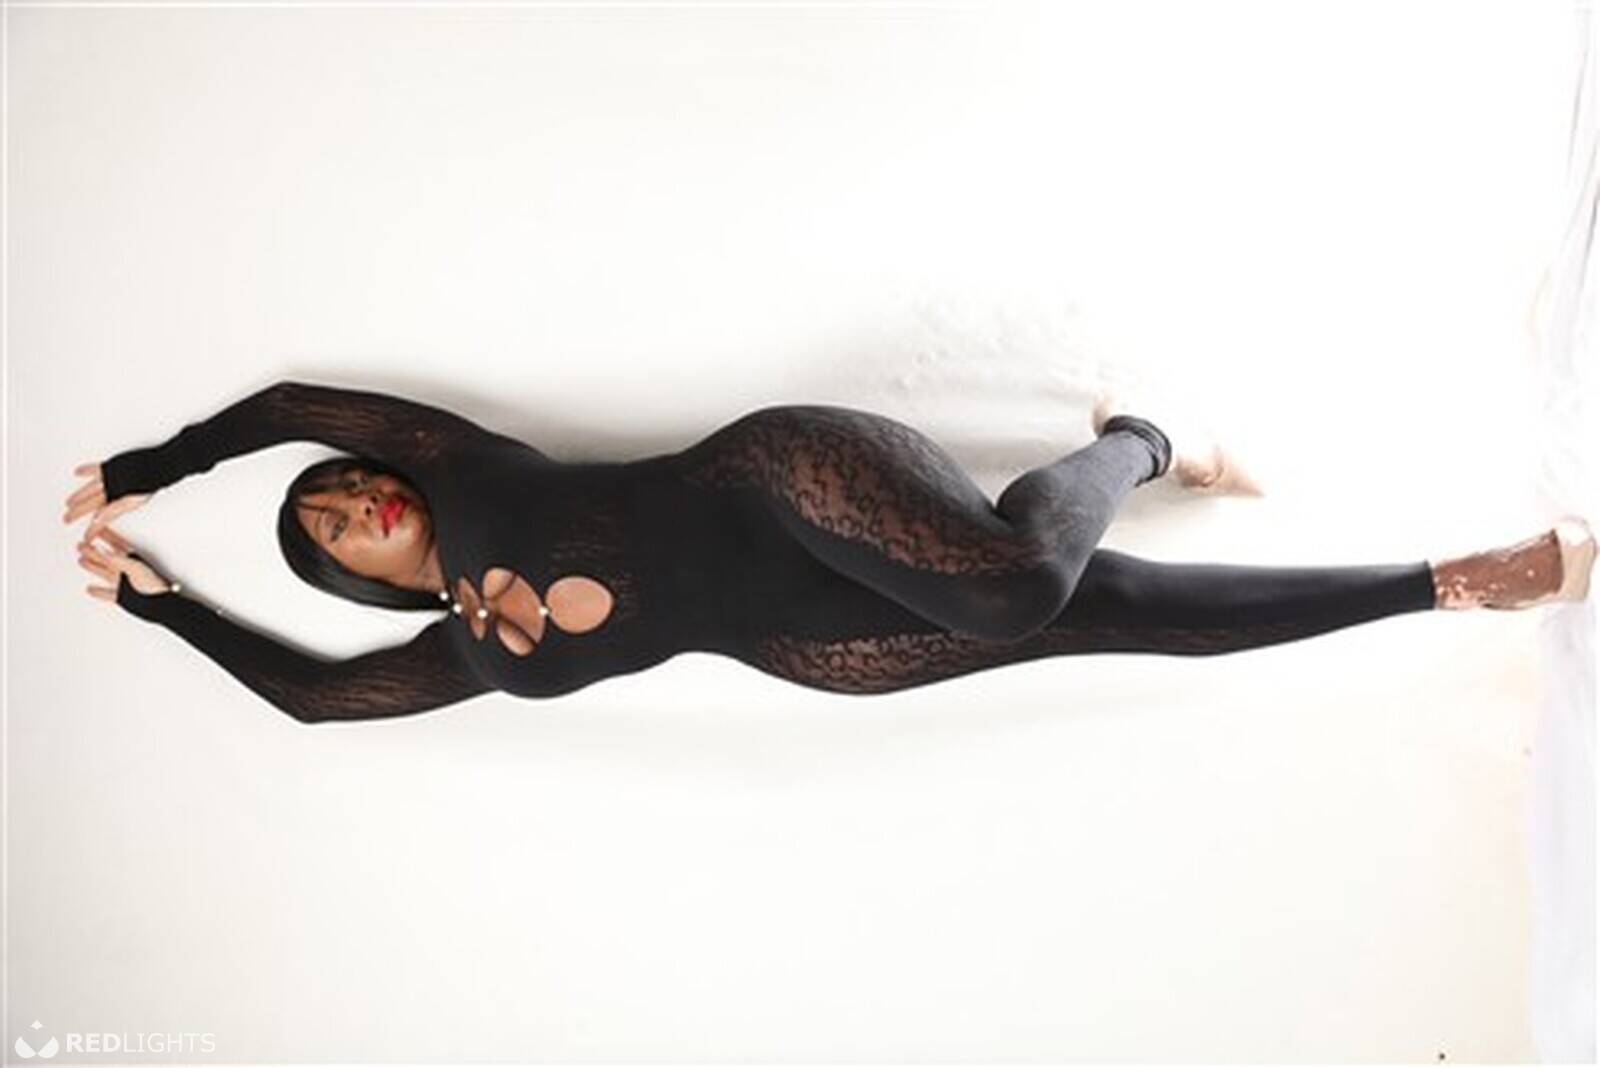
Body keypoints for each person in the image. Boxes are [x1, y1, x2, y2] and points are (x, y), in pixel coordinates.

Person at [64, 379, 1595, 724]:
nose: (358, 506)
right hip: (800, 636)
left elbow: (293, 405)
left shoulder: (463, 470)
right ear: (348, 576)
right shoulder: (445, 660)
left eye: (348, 487)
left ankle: (1137, 440)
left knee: (1015, 584)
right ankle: (1460, 584)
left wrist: (150, 468)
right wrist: (161, 608)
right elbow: (313, 701)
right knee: (1125, 612)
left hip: (779, 482)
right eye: (334, 529)